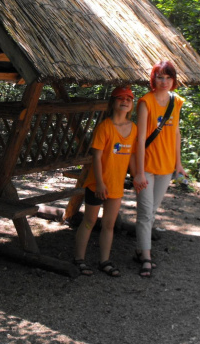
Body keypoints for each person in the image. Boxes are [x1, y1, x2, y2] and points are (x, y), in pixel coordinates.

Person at [74, 86, 137, 277]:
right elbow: (96, 157)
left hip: (117, 185)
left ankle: (104, 261)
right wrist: (100, 183)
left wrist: (136, 176)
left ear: (132, 104)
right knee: (89, 221)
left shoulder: (133, 128)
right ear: (113, 102)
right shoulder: (104, 127)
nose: (125, 101)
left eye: (129, 98)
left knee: (109, 225)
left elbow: (132, 157)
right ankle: (78, 259)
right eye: (120, 98)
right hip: (97, 184)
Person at [132, 60, 186, 277]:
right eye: (160, 77)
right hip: (146, 166)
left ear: (173, 80)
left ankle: (140, 248)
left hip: (166, 166)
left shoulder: (177, 101)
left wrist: (179, 164)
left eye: (168, 77)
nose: (164, 82)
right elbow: (141, 137)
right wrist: (138, 171)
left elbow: (176, 133)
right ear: (153, 79)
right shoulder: (146, 102)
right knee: (145, 212)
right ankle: (146, 257)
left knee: (152, 210)